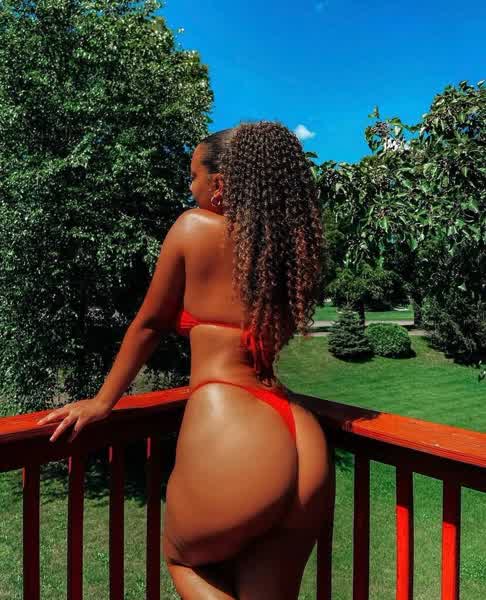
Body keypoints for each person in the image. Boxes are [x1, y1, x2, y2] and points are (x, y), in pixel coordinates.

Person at [37, 121, 335, 599]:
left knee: (182, 560)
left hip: (231, 419)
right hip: (300, 437)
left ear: (219, 185)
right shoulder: (283, 251)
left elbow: (149, 324)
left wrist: (102, 401)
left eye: (193, 175)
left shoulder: (192, 227)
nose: (189, 186)